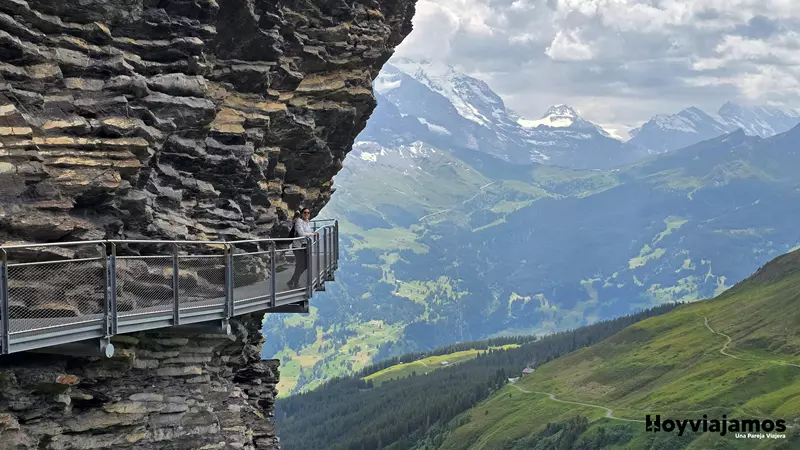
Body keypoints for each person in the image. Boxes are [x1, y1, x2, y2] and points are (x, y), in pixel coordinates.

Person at [288, 208, 318, 289]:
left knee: (305, 265)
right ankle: (295, 283)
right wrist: (312, 234)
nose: (307, 214)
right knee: (300, 265)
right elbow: (301, 234)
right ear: (302, 213)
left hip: (304, 246)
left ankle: (292, 281)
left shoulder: (307, 222)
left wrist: (310, 234)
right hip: (297, 246)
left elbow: (307, 233)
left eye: (308, 212)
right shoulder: (299, 221)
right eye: (305, 212)